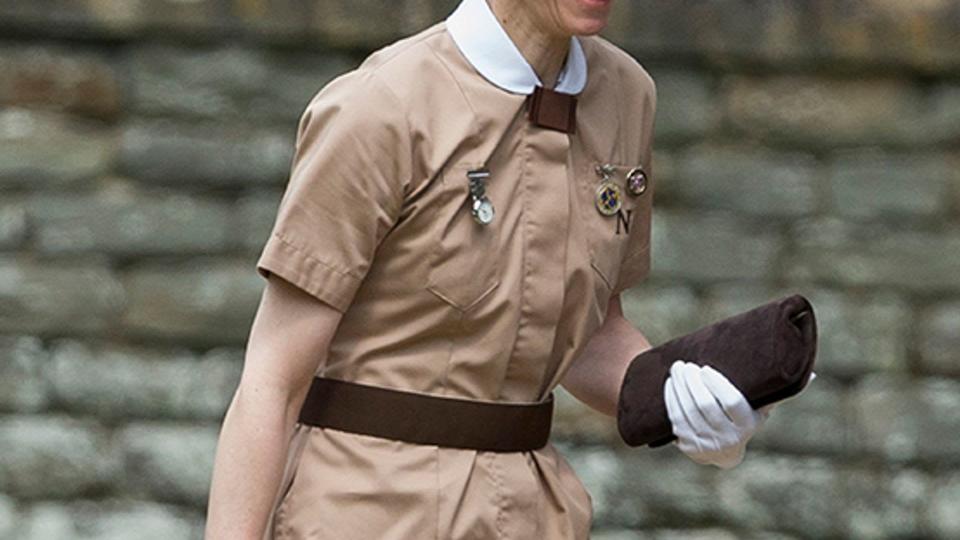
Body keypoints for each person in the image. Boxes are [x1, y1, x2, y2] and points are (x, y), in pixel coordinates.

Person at [204, 0, 805, 538]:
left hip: (534, 514)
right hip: (365, 508)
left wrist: (682, 402)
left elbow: (588, 331)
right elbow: (272, 383)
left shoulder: (627, 96)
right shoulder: (381, 106)